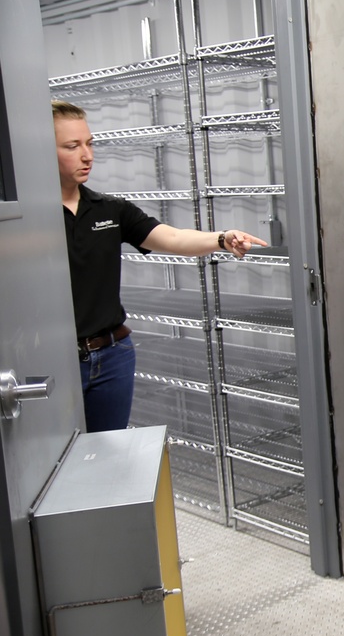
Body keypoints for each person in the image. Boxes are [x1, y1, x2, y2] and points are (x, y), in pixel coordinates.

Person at [53, 99, 268, 432]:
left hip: (112, 356)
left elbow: (173, 238)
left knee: (106, 457)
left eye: (89, 143)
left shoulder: (109, 210)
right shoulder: (25, 220)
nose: (87, 155)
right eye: (72, 146)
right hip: (54, 363)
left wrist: (221, 238)